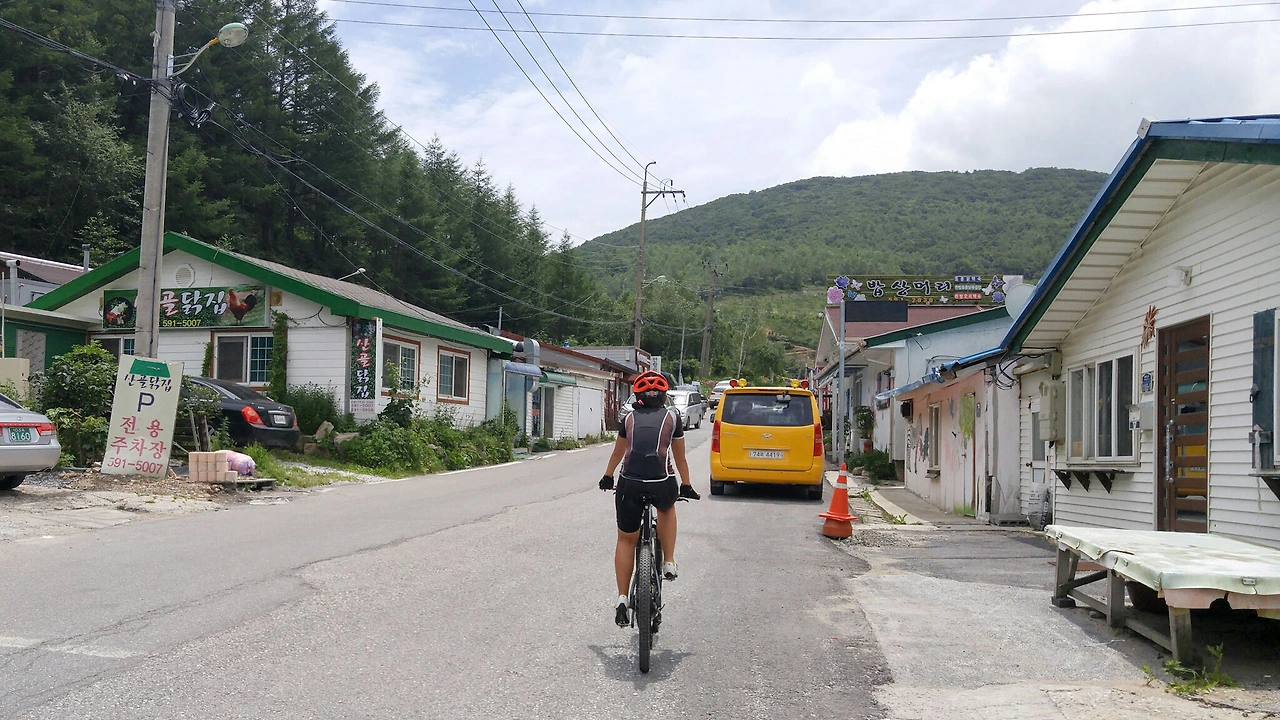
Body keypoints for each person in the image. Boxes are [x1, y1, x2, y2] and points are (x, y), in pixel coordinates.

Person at [600, 370, 699, 628]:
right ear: (664, 396)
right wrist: (687, 485)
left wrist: (607, 476)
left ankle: (622, 598)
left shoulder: (628, 418)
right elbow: (680, 458)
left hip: (629, 484)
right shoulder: (673, 417)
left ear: (638, 397)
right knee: (666, 508)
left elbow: (618, 453)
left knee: (626, 539)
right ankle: (669, 561)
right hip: (661, 482)